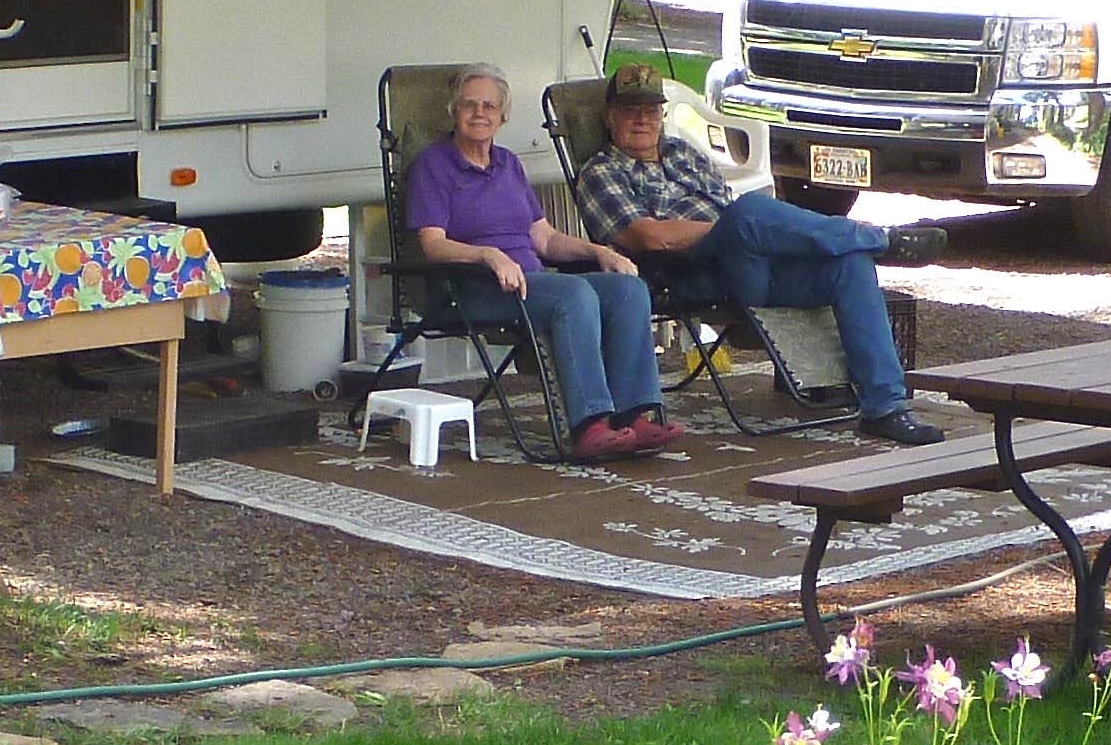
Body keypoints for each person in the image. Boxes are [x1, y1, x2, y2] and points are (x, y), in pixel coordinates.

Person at [574, 62, 947, 446]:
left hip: (754, 261)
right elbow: (650, 238)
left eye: (651, 110)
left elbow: (728, 208)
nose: (642, 120)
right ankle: (881, 239)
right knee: (748, 212)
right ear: (609, 117)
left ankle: (886, 408)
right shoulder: (601, 172)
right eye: (630, 111)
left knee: (850, 265)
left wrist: (745, 230)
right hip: (698, 275)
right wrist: (731, 228)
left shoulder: (682, 153)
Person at [403, 68, 680, 462]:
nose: (479, 113)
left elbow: (544, 238)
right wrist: (487, 255)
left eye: (489, 105)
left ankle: (634, 416)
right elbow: (433, 245)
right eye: (469, 104)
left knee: (626, 289)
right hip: (473, 287)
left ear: (502, 116)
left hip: (531, 283)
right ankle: (590, 426)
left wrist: (599, 252)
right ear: (453, 112)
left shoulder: (508, 164)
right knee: (575, 293)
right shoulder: (434, 165)